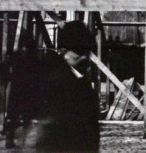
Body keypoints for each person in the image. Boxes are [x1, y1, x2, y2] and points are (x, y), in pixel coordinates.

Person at [35, 21, 100, 153]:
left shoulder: (84, 84)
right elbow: (48, 133)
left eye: (87, 51)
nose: (84, 57)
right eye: (78, 51)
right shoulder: (54, 85)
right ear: (64, 52)